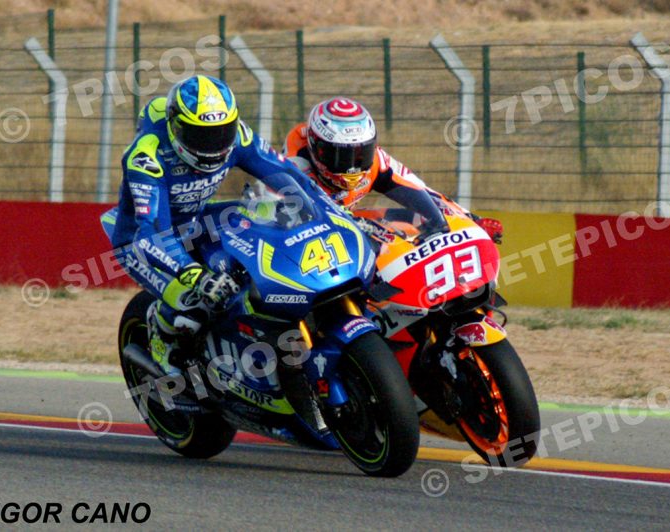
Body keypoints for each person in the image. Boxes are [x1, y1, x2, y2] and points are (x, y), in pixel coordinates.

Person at [109, 75, 311, 375]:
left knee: (263, 228)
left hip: (197, 221)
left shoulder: (239, 137)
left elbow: (285, 174)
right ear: (177, 127)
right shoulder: (147, 156)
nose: (216, 145)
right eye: (202, 136)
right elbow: (151, 232)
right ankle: (163, 339)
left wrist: (325, 210)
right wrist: (193, 275)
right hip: (143, 242)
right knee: (195, 302)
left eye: (222, 132)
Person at [282, 97, 503, 243]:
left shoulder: (377, 160)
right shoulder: (296, 165)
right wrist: (373, 230)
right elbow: (308, 215)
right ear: (317, 148)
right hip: (303, 236)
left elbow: (421, 191)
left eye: (361, 153)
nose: (354, 165)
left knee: (416, 220)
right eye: (342, 155)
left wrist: (471, 219)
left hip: (348, 221)